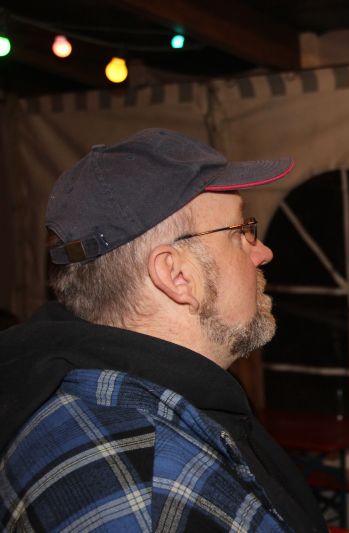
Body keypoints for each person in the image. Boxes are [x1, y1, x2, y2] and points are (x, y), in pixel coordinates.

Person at [0, 128, 328, 532]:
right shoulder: (148, 490)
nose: (263, 251)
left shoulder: (82, 394)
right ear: (176, 275)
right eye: (240, 231)